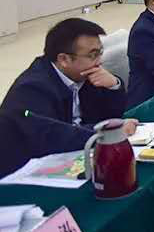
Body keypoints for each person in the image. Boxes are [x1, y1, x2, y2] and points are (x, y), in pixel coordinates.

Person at [0, 19, 137, 177]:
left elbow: (112, 114)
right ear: (64, 59)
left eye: (100, 52)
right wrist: (106, 132)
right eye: (93, 55)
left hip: (72, 156)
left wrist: (113, 85)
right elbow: (53, 136)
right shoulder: (32, 88)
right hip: (23, 173)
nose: (99, 61)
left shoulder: (86, 74)